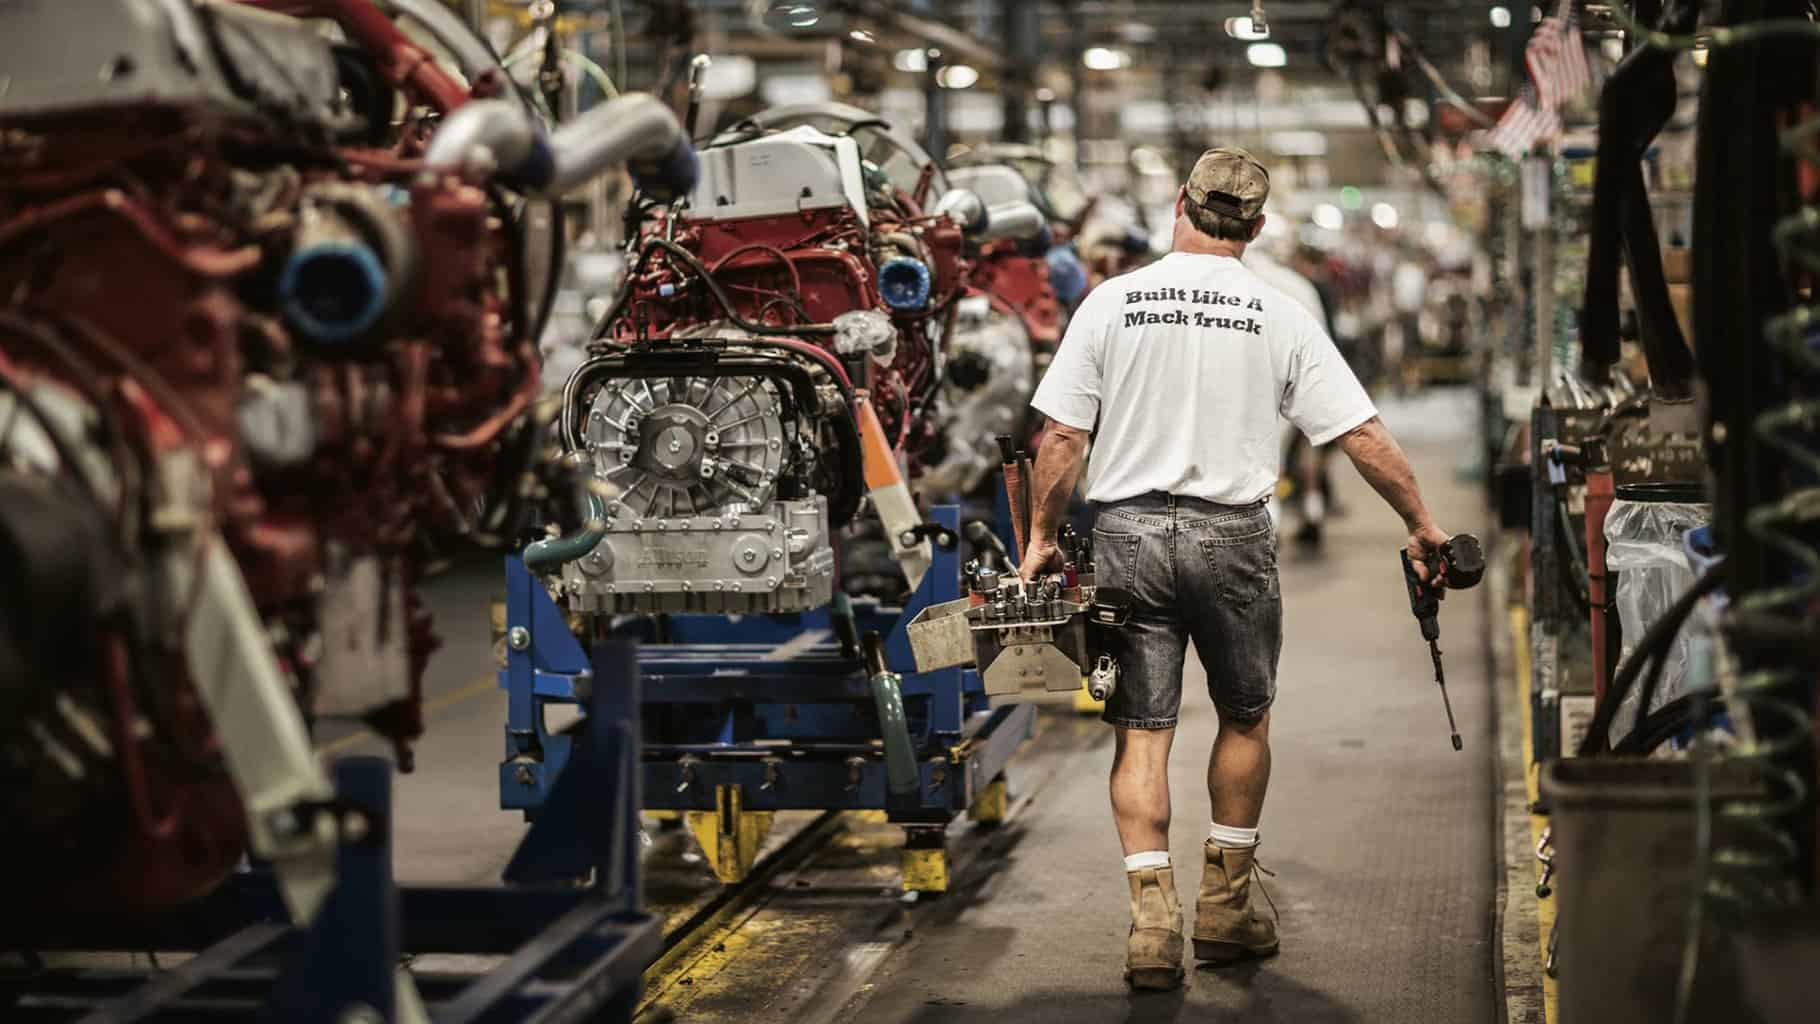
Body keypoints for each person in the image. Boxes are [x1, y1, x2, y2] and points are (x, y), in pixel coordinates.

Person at [1019, 147, 1455, 991]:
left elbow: (1063, 436)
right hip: (1233, 537)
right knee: (1245, 719)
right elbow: (1359, 433)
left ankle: (1153, 927)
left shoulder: (1111, 302)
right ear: (1254, 228)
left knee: (1142, 729)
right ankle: (1225, 910)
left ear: (1180, 204)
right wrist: (1421, 523)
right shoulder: (1278, 311)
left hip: (1128, 537)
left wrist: (1041, 537)